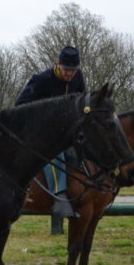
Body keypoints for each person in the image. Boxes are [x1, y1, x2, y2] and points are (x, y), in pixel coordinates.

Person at [15, 46, 86, 218]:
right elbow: (19, 107)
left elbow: (82, 101)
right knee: (54, 151)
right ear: (58, 64)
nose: (69, 74)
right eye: (66, 69)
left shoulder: (78, 77)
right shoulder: (41, 80)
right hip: (38, 131)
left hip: (66, 131)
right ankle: (59, 196)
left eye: (73, 70)